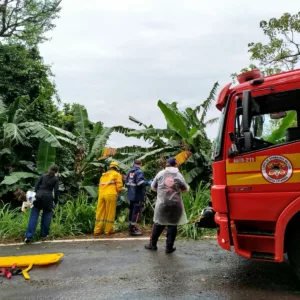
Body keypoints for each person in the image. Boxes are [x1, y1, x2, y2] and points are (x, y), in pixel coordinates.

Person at [145, 158, 189, 253]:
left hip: (162, 204)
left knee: (158, 223)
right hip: (175, 204)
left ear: (167, 164)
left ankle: (153, 245)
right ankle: (169, 247)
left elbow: (153, 187)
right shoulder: (179, 175)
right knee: (172, 225)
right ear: (175, 164)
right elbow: (185, 190)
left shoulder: (160, 174)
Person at [24, 164, 59, 243]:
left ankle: (28, 236)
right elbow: (56, 191)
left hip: (38, 197)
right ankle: (43, 236)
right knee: (47, 216)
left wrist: (34, 197)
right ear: (57, 171)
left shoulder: (43, 176)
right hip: (48, 199)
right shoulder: (56, 179)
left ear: (49, 169)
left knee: (33, 216)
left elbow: (36, 187)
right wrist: (55, 201)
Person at [94, 161, 123, 236]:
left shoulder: (103, 175)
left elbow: (100, 186)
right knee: (110, 212)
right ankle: (107, 231)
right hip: (111, 194)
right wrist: (118, 192)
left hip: (101, 195)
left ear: (110, 167)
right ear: (116, 168)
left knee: (100, 212)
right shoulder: (117, 174)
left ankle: (97, 231)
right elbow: (119, 187)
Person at [125, 159, 152, 236]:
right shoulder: (139, 172)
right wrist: (148, 183)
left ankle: (131, 226)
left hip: (131, 195)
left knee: (132, 211)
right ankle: (133, 229)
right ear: (141, 164)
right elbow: (140, 183)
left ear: (133, 164)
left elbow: (127, 183)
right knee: (136, 212)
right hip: (137, 195)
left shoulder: (130, 171)